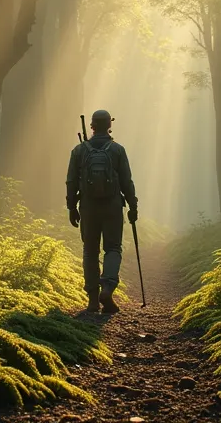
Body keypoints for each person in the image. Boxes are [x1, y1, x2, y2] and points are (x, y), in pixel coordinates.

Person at [66, 109, 138, 313]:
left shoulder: (79, 151)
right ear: (109, 126)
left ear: (91, 126)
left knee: (90, 251)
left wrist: (72, 207)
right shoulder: (117, 150)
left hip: (88, 207)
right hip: (113, 206)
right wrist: (133, 205)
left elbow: (71, 181)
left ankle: (92, 300)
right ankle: (107, 286)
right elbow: (126, 181)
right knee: (113, 248)